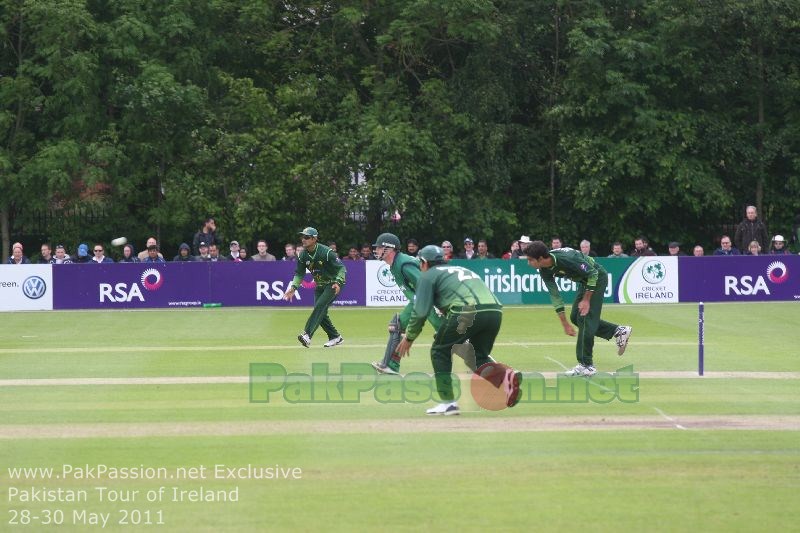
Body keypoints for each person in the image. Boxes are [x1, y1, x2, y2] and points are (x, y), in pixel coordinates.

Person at [396, 245, 522, 415]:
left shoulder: (428, 276)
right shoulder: (459, 269)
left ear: (424, 262)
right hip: (494, 311)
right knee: (479, 357)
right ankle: (506, 378)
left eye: (420, 262)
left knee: (439, 350)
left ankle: (448, 402)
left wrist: (409, 337)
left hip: (467, 311)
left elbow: (420, 312)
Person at [524, 240, 632, 377]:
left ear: (540, 258)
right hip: (584, 282)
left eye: (530, 260)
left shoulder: (567, 259)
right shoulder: (544, 270)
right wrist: (565, 324)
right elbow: (555, 296)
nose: (528, 263)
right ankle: (618, 331)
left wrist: (586, 300)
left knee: (585, 319)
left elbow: (593, 274)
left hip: (597, 278)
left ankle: (587, 365)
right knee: (575, 317)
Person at [370, 233, 443, 375]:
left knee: (446, 332)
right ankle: (390, 365)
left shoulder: (403, 264)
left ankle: (481, 359)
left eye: (379, 247)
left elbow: (426, 283)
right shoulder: (395, 264)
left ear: (389, 249)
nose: (376, 250)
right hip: (418, 301)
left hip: (428, 299)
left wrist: (440, 304)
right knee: (397, 325)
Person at [284, 227, 347, 348]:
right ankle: (335, 336)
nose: (303, 239)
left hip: (333, 284)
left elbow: (342, 268)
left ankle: (307, 335)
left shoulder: (326, 252)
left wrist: (338, 282)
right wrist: (293, 287)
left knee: (319, 307)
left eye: (307, 237)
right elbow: (299, 273)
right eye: (302, 237)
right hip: (320, 285)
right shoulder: (302, 255)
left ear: (314, 239)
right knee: (320, 311)